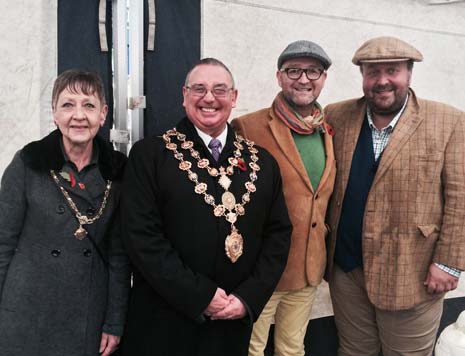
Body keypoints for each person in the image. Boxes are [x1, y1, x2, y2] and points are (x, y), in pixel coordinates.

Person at [119, 58, 292, 356]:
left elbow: (278, 235)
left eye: (220, 89)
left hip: (231, 324)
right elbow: (141, 239)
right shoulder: (150, 155)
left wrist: (247, 298)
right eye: (199, 88)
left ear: (234, 98)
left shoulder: (262, 162)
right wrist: (200, 296)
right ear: (184, 96)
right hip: (163, 323)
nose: (209, 98)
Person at [324, 36, 465, 355]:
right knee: (354, 350)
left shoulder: (449, 120)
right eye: (373, 72)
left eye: (392, 71)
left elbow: (461, 197)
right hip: (347, 270)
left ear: (409, 74)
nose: (382, 80)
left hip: (412, 271)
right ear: (362, 75)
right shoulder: (336, 116)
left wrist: (448, 264)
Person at [0, 69, 130, 356]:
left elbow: (120, 256)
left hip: (86, 314)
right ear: (54, 113)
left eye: (89, 105)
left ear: (103, 114)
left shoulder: (119, 172)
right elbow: (2, 244)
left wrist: (114, 322)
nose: (79, 115)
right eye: (68, 105)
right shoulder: (27, 163)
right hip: (24, 310)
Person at [231, 40, 335, 356]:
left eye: (313, 71)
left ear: (323, 78)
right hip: (261, 270)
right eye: (294, 71)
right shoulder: (248, 127)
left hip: (308, 267)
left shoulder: (327, 129)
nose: (303, 79)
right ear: (279, 77)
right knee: (250, 348)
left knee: (292, 349)